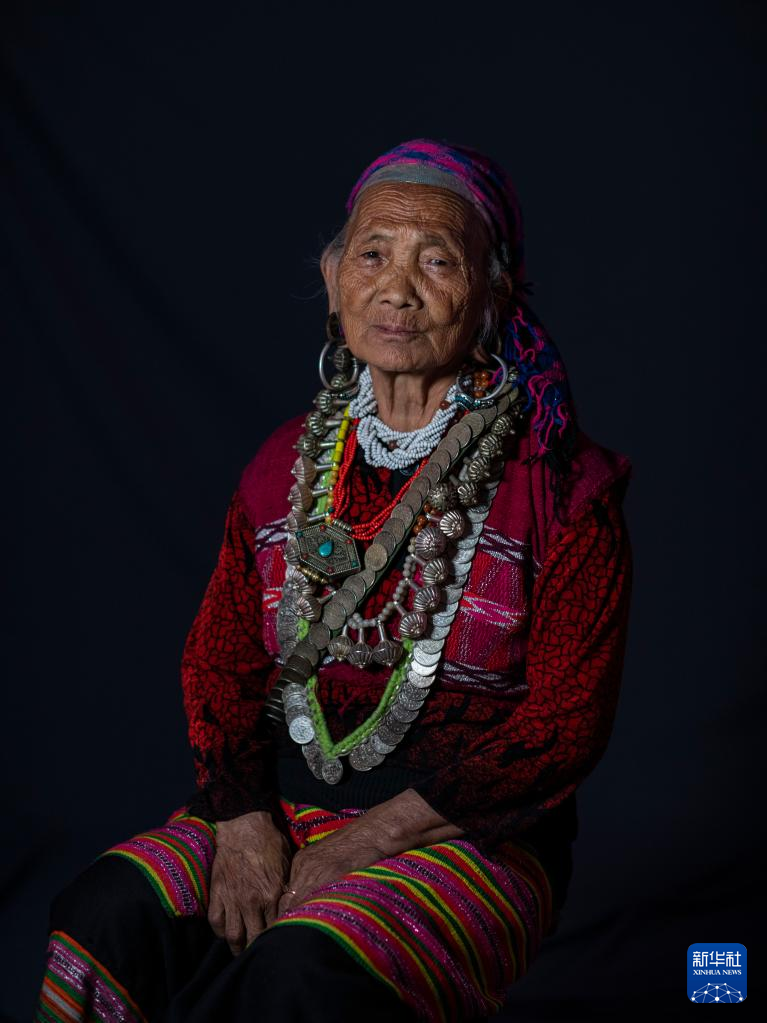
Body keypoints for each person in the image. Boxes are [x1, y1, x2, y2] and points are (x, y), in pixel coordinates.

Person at [36, 139, 633, 1022]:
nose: (397, 289)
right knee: (103, 915)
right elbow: (218, 663)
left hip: (472, 833)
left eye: (437, 261)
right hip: (277, 804)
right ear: (331, 278)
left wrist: (366, 840)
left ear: (495, 292)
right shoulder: (280, 465)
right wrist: (243, 824)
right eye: (372, 253)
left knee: (304, 966)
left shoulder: (560, 484)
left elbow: (565, 723)